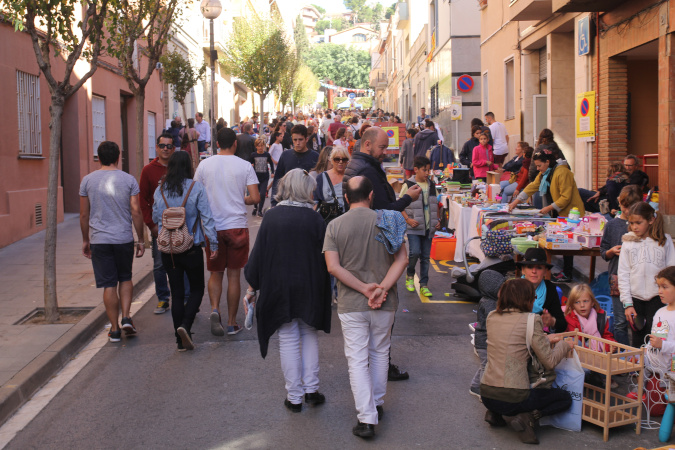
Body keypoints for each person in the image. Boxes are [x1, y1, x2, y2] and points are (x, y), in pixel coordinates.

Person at [324, 176, 409, 438]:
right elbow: (402, 259)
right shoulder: (389, 220)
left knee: (358, 360)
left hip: (352, 303)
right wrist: (381, 288)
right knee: (380, 352)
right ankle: (377, 404)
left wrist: (363, 289)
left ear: (346, 198)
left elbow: (333, 267)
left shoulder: (334, 226)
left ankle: (367, 417)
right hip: (385, 302)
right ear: (371, 195)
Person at [244, 169, 332, 412]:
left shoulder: (272, 217)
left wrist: (251, 289)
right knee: (309, 334)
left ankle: (294, 397)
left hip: (279, 287)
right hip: (310, 286)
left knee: (288, 338)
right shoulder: (315, 219)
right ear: (305, 190)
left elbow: (259, 255)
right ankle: (311, 390)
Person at [480, 278, 574, 445]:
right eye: (533, 297)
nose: (534, 301)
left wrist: (545, 339)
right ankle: (527, 417)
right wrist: (564, 345)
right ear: (525, 299)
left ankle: (495, 413)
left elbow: (512, 341)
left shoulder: (492, 317)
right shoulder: (531, 319)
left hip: (487, 393)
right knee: (564, 398)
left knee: (502, 396)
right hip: (514, 397)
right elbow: (550, 362)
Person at [195, 127, 260, 336]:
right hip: (236, 226)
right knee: (234, 275)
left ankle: (215, 309)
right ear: (235, 143)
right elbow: (256, 198)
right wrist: (243, 199)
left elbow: (196, 194)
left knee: (215, 272)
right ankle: (232, 323)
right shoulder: (244, 166)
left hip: (213, 227)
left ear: (216, 144)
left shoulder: (204, 165)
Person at [152, 152, 218, 351]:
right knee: (197, 289)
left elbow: (157, 217)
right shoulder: (195, 187)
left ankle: (180, 341)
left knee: (177, 293)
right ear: (189, 166)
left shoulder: (160, 190)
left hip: (169, 249)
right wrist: (213, 244)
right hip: (191, 247)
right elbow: (206, 217)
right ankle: (185, 325)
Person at [79, 141, 145, 342]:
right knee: (125, 277)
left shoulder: (87, 181)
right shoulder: (129, 180)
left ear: (98, 158)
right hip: (123, 238)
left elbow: (83, 214)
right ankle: (126, 317)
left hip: (100, 240)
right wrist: (141, 239)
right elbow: (136, 211)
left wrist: (85, 239)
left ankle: (114, 329)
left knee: (109, 283)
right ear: (119, 157)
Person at [509, 147, 585, 282]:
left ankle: (568, 273)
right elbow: (532, 186)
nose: (537, 169)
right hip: (560, 211)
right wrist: (515, 202)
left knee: (568, 245)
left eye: (539, 165)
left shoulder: (562, 172)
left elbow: (566, 197)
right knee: (564, 243)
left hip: (571, 213)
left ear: (548, 162)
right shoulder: (546, 173)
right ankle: (565, 272)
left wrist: (548, 208)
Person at [619, 202, 675, 348]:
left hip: (659, 299)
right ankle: (640, 370)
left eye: (639, 223)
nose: (634, 227)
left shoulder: (665, 240)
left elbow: (671, 271)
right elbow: (623, 273)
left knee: (659, 337)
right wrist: (627, 303)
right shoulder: (627, 243)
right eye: (631, 223)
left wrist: (670, 297)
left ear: (651, 220)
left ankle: (658, 370)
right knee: (638, 339)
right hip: (635, 301)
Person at [599, 185, 642, 345]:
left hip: (637, 278)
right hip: (617, 277)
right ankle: (621, 357)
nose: (628, 210)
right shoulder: (612, 225)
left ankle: (638, 356)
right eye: (625, 206)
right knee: (619, 321)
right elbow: (603, 251)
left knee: (638, 320)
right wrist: (611, 251)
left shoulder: (642, 226)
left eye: (631, 206)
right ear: (620, 204)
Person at [139, 133, 177, 314]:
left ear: (174, 148)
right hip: (159, 226)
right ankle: (163, 298)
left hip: (179, 224)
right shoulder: (148, 170)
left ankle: (183, 298)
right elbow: (143, 201)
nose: (165, 149)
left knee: (181, 262)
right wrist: (151, 225)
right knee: (160, 264)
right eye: (162, 146)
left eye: (169, 146)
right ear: (156, 147)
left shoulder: (178, 168)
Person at [400, 156, 440, 297]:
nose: (427, 173)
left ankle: (424, 284)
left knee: (425, 257)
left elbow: (435, 204)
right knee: (414, 253)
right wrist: (408, 220)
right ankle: (410, 275)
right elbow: (400, 205)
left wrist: (437, 220)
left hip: (429, 227)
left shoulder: (432, 185)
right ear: (416, 170)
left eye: (429, 170)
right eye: (424, 170)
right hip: (414, 227)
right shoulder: (408, 184)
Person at [469, 270, 505, 398]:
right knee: (487, 367)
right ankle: (484, 392)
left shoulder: (489, 301)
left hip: (483, 341)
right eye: (501, 288)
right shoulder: (491, 304)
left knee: (486, 364)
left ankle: (475, 385)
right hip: (485, 342)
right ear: (492, 289)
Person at [517, 248, 567, 333]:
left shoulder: (550, 289)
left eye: (539, 268)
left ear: (545, 271)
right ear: (523, 270)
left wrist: (552, 321)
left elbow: (562, 324)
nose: (534, 271)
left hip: (541, 339)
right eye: (530, 267)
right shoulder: (514, 288)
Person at [271, 125, 320, 206]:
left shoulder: (315, 157)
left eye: (300, 139)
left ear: (306, 139)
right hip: (287, 203)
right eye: (295, 140)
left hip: (308, 204)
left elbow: (319, 182)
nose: (297, 143)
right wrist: (274, 202)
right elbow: (277, 180)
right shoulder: (285, 155)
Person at [646, 267, 675, 369]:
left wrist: (663, 345)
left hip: (672, 373)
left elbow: (661, 343)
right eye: (659, 287)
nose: (660, 291)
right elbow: (656, 338)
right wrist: (644, 351)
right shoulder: (660, 312)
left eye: (664, 287)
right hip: (656, 370)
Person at [249, 138, 275, 217]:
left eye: (262, 146)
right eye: (258, 146)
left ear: (264, 146)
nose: (260, 147)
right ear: (256, 146)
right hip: (255, 177)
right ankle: (255, 207)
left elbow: (271, 163)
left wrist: (273, 172)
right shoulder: (253, 155)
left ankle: (260, 210)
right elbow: (249, 164)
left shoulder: (267, 155)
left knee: (263, 194)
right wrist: (251, 166)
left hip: (264, 177)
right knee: (255, 194)